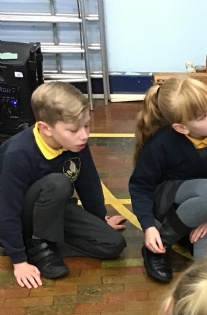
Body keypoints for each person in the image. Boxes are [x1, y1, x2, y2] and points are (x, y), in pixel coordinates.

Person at [0, 81, 126, 289]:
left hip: (53, 210)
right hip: (20, 216)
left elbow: (89, 184)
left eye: (87, 125)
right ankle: (36, 245)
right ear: (45, 128)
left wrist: (99, 219)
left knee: (113, 245)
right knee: (58, 183)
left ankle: (46, 242)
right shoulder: (18, 153)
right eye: (74, 130)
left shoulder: (76, 144)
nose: (84, 135)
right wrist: (19, 261)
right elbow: (7, 209)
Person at [129, 76, 207, 283]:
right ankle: (161, 243)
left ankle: (184, 235)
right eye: (203, 116)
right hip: (171, 206)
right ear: (181, 128)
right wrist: (149, 227)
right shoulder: (162, 142)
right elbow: (141, 186)